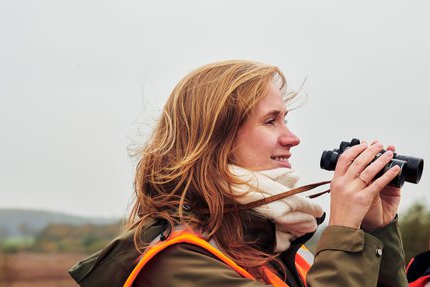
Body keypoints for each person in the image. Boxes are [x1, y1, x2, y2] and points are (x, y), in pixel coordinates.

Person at [69, 60, 408, 286]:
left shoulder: (271, 247)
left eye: (286, 119)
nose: (292, 138)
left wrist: (376, 230)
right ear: (216, 138)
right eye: (271, 120)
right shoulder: (175, 263)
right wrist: (343, 229)